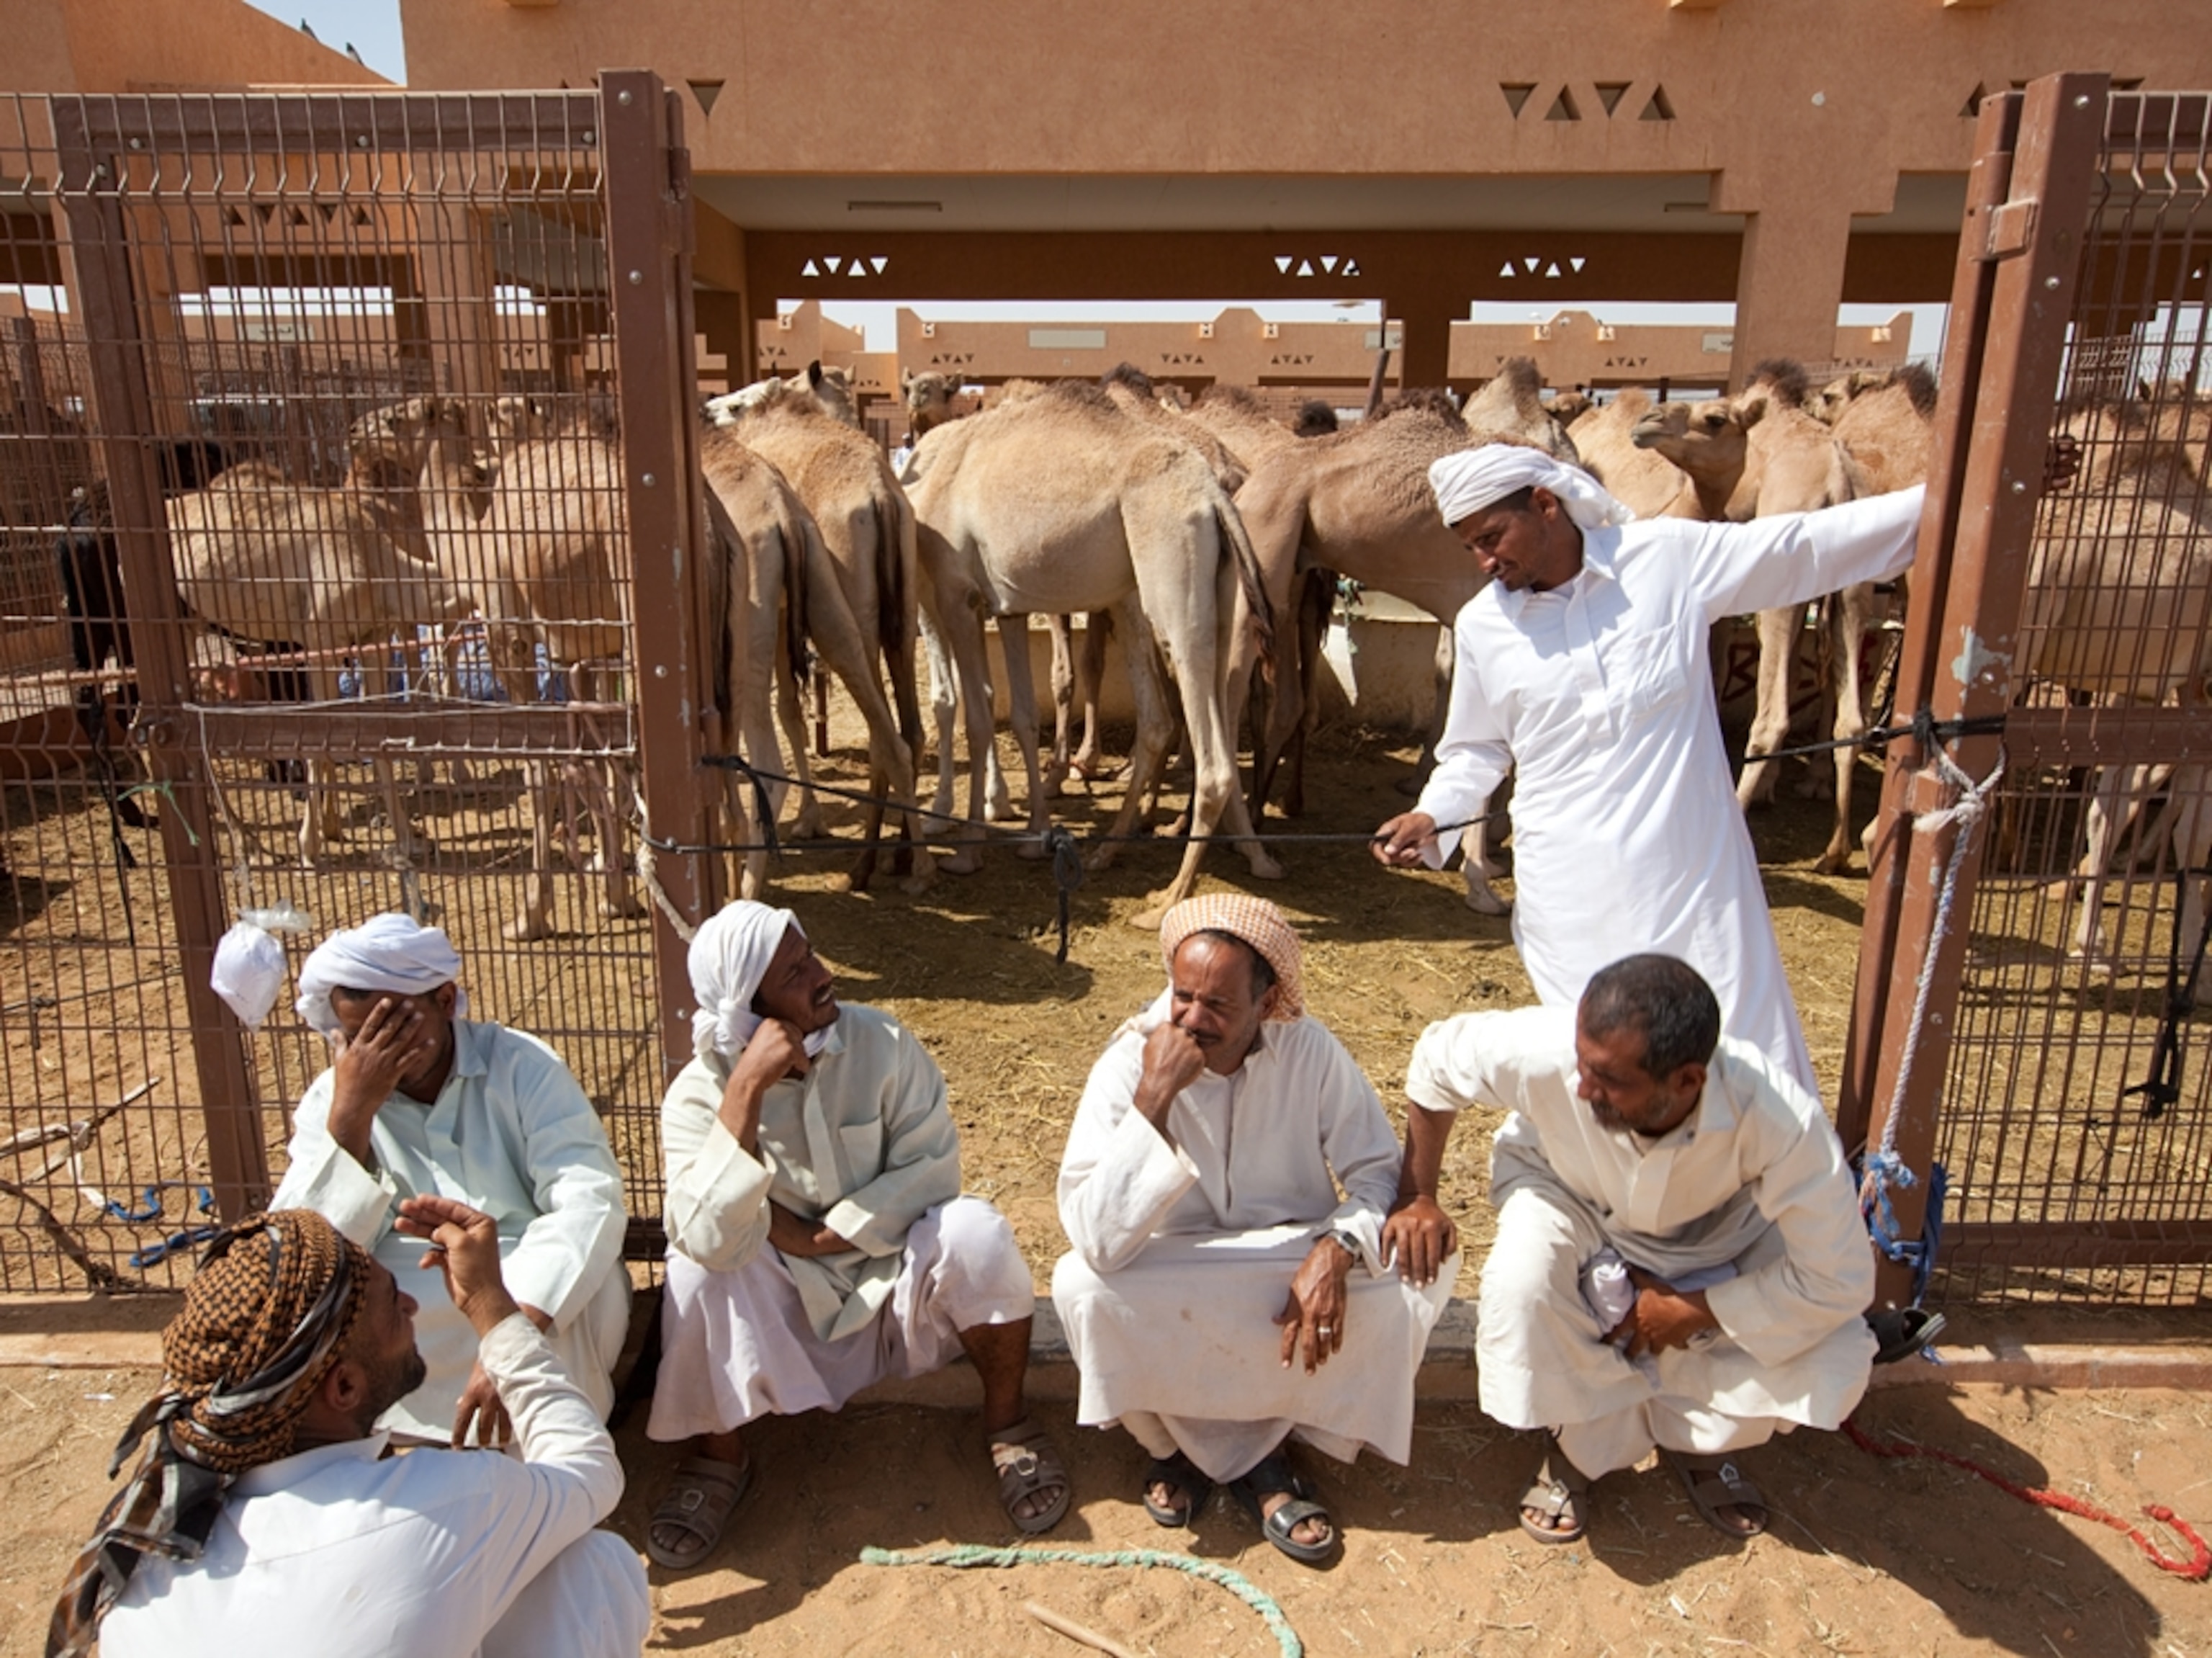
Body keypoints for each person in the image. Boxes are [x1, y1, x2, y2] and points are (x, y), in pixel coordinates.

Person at [1372, 443, 1926, 1092]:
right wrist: (1432, 814)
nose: (1485, 561)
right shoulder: (1482, 627)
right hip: (1569, 895)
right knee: (1605, 1075)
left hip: (1693, 884)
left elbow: (1804, 547)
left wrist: (1982, 488)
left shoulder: (1664, 561)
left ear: (1546, 505)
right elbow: (1476, 749)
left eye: (1493, 537)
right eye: (1471, 547)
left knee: (1741, 1060)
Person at [645, 899, 1067, 1570]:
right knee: (696, 1270)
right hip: (783, 1303)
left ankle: (1008, 1424)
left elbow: (933, 1170)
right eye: (795, 970)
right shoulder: (700, 1095)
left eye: (810, 953)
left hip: (886, 1281)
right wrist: (747, 1090)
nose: (822, 973)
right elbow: (707, 1236)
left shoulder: (883, 1043)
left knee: (977, 1233)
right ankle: (718, 1458)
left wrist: (824, 1237)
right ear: (748, 1012)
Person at [1399, 954, 1876, 1546]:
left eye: (1610, 1081)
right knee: (1520, 1285)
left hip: (1713, 1234)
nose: (1582, 1087)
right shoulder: (1547, 1049)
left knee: (1830, 1349)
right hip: (1568, 1193)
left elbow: (1842, 1280)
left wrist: (1699, 1307)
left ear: (1686, 1081)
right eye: (1583, 1065)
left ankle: (1698, 1443)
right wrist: (1418, 1195)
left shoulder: (1779, 1119)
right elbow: (1435, 1060)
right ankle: (1580, 1449)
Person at [53, 1200, 649, 1658]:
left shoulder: (146, 1543)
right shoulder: (439, 1503)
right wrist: (491, 1307)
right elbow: (588, 1472)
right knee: (587, 1563)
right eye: (394, 1303)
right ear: (342, 1389)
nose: (414, 1308)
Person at [1053, 894, 1457, 1567]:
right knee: (1079, 1286)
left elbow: (1377, 1172)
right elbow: (1096, 1238)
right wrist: (1153, 1099)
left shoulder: (1310, 1048)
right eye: (1182, 996)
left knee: (1426, 1267)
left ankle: (1244, 1451)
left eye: (1217, 1006)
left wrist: (1338, 1248)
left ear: (1267, 1005)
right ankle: (1197, 1452)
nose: (1190, 1019)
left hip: (1289, 1258)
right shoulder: (1133, 1059)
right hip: (1177, 1267)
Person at [271, 913, 630, 1446]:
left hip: (526, 1274)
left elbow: (588, 1202)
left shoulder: (522, 1066)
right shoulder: (333, 1098)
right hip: (402, 1288)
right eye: (357, 1038)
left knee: (570, 1298)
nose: (376, 1052)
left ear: (444, 1002)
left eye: (393, 1028)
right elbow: (299, 1250)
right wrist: (352, 1118)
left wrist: (512, 1336)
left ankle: (551, 1474)